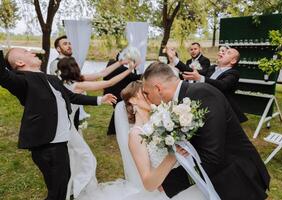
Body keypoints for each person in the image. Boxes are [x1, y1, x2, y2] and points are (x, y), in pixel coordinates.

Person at [0, 48, 116, 200]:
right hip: (46, 145)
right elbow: (2, 74)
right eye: (26, 52)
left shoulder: (52, 79)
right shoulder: (21, 80)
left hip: (60, 142)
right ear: (20, 62)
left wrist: (99, 100)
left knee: (63, 183)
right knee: (58, 190)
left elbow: (71, 96)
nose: (32, 52)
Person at [142, 62, 270, 200]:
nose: (147, 98)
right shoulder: (182, 99)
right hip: (219, 178)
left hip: (238, 177)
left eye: (146, 93)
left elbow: (212, 155)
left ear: (158, 88)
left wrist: (169, 183)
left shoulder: (202, 94)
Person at [76, 81, 206, 200]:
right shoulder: (136, 134)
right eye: (144, 93)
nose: (150, 95)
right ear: (133, 100)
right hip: (166, 193)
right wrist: (173, 157)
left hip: (187, 180)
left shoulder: (165, 121)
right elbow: (149, 183)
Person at [168, 47, 247, 123]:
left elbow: (222, 85)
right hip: (206, 104)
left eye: (227, 53)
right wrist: (174, 59)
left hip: (220, 109)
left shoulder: (233, 73)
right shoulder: (212, 68)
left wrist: (200, 78)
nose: (222, 52)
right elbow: (193, 71)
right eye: (222, 51)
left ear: (233, 61)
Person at [103, 52, 141, 135]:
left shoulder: (111, 64)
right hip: (116, 94)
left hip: (110, 92)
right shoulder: (121, 69)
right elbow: (135, 77)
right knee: (120, 110)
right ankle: (113, 130)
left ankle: (112, 131)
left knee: (117, 110)